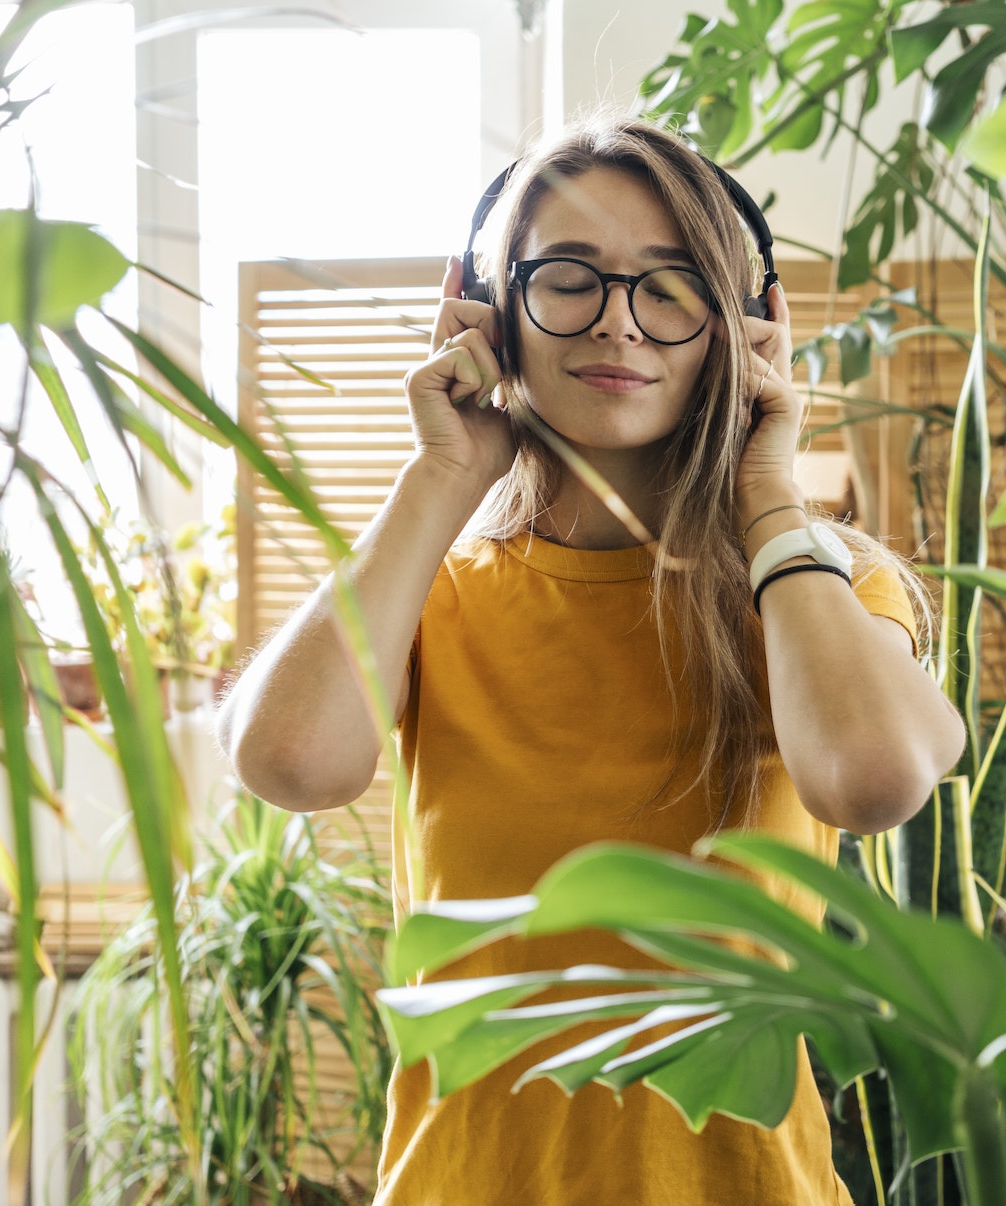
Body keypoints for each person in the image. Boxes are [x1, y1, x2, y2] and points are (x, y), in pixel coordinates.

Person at [216, 114, 966, 1204]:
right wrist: (438, 475)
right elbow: (289, 759)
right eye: (569, 277)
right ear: (490, 307)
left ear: (740, 325)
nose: (619, 324)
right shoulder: (439, 594)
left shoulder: (817, 589)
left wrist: (764, 492)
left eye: (669, 286)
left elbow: (872, 778)